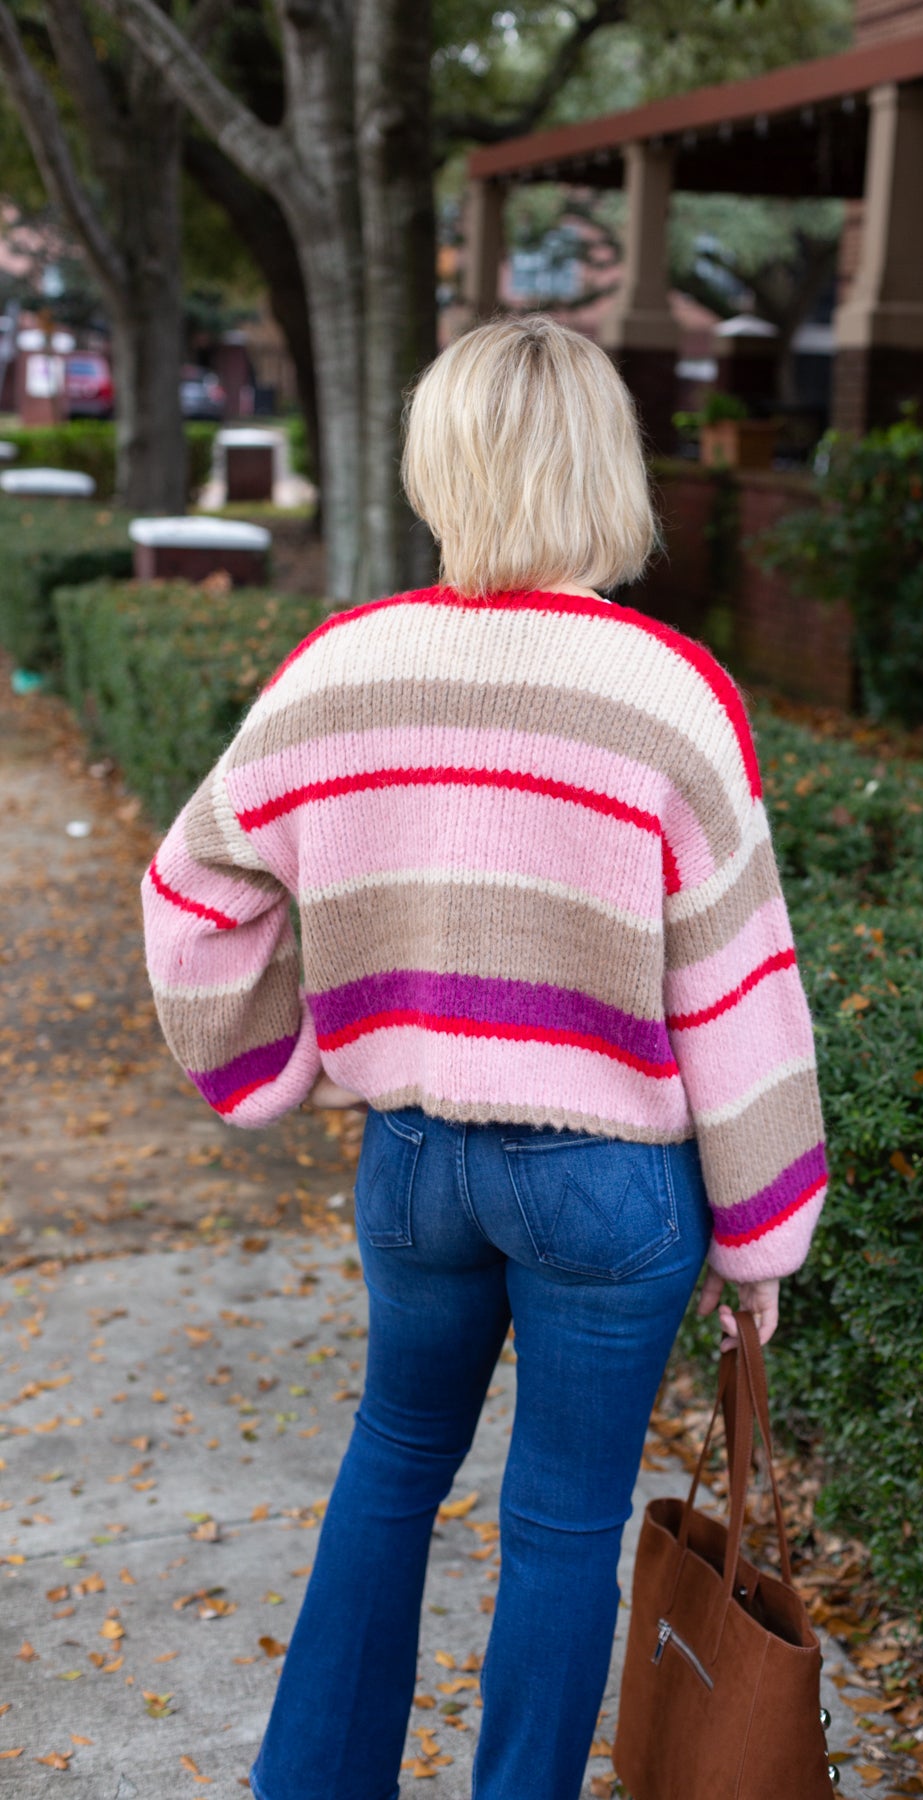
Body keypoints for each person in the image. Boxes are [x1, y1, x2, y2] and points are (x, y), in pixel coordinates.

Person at [141, 315, 829, 1800]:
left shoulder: (341, 668)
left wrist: (285, 1068)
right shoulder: (669, 693)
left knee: (390, 1469)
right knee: (567, 1521)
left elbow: (193, 895)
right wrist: (765, 1232)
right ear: (609, 470)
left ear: (437, 462)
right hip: (610, 1188)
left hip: (412, 1166)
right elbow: (738, 981)